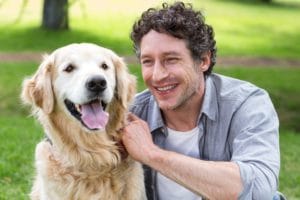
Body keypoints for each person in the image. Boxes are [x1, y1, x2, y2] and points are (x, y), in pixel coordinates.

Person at [120, 2, 282, 200]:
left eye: (171, 59)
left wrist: (152, 154)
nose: (157, 75)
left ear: (204, 60)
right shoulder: (130, 116)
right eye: (147, 61)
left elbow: (259, 190)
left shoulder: (246, 104)